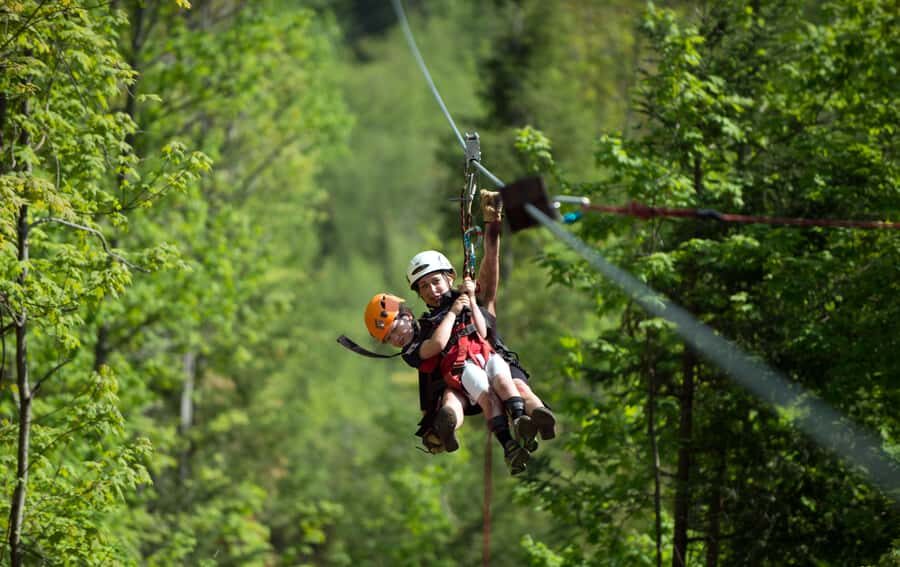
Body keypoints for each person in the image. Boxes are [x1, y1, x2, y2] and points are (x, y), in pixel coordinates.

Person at [364, 291, 530, 475]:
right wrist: (453, 312)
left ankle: (521, 421)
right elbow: (437, 344)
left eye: (395, 329)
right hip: (458, 376)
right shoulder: (409, 351)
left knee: (501, 385)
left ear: (408, 316)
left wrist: (466, 293)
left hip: (477, 359)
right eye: (388, 338)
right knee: (482, 398)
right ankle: (504, 441)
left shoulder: (428, 323)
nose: (395, 338)